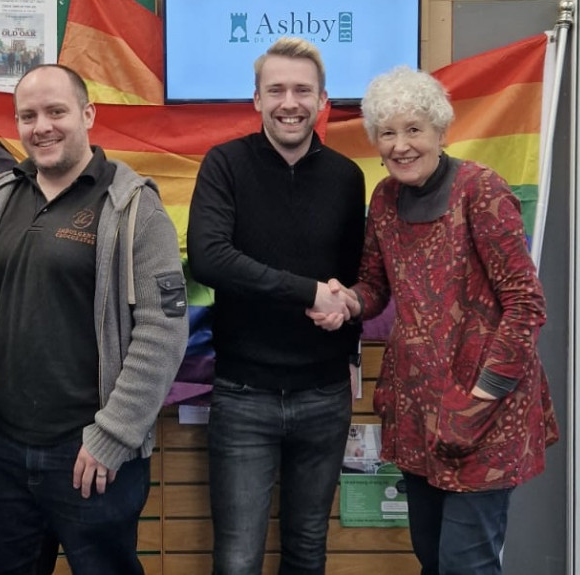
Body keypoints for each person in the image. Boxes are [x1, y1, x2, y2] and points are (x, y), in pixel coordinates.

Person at [0, 64, 188, 575]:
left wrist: (114, 435)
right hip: (1, 449)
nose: (42, 127)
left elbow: (163, 331)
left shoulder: (133, 206)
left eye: (56, 112)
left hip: (92, 452)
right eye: (28, 116)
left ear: (87, 115)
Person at [313, 66, 560, 575]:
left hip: (485, 413)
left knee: (464, 564)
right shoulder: (384, 199)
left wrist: (483, 396)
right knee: (431, 557)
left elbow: (526, 303)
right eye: (387, 132)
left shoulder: (481, 190)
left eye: (413, 129)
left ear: (440, 132)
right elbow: (376, 286)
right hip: (420, 410)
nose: (401, 145)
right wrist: (348, 302)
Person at [187, 37, 366, 575]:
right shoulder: (225, 165)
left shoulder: (347, 177)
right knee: (238, 558)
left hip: (326, 395)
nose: (291, 102)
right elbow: (210, 260)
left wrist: (346, 305)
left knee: (309, 551)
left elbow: (354, 279)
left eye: (303, 91)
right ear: (257, 100)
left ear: (323, 100)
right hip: (245, 395)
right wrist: (309, 292)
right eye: (277, 90)